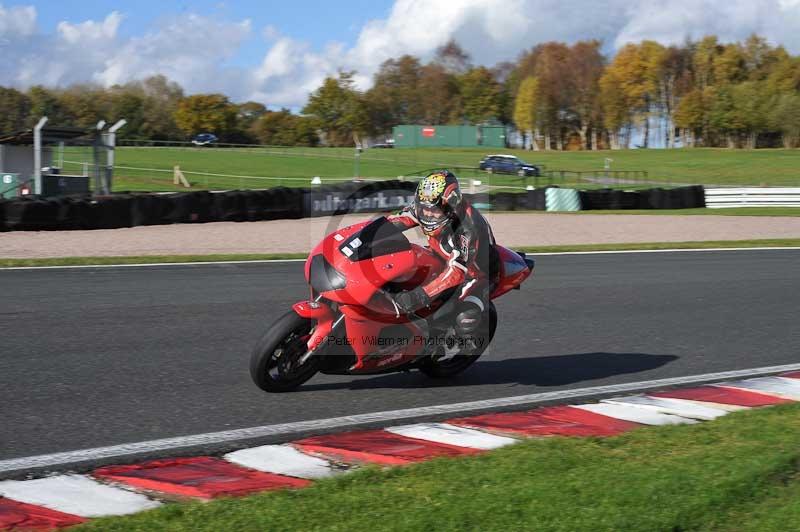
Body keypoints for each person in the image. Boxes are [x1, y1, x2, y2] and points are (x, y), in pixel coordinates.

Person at [386, 170, 497, 335]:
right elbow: (397, 220)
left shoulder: (468, 228)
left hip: (474, 273)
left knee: (463, 317)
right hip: (441, 256)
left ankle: (449, 342)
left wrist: (419, 296)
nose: (428, 214)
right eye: (424, 208)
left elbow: (457, 272)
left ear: (451, 205)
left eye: (434, 210)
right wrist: (366, 234)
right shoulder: (428, 204)